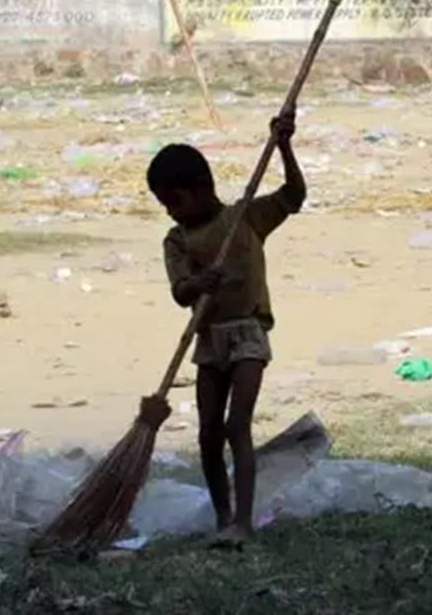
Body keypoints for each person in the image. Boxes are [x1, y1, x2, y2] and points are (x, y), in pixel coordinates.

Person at [146, 111, 306, 546]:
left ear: (201, 189)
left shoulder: (246, 218)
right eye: (165, 205)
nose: (172, 212)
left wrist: (284, 144)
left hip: (248, 331)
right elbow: (181, 291)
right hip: (208, 341)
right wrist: (200, 283)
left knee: (238, 426)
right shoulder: (177, 240)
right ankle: (222, 519)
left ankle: (244, 523)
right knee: (208, 432)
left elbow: (294, 195)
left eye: (175, 201)